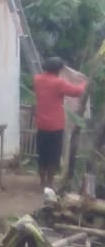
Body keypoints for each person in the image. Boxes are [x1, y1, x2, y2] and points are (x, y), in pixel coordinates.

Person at [32, 56, 88, 190]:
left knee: (42, 154)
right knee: (53, 155)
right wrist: (85, 83)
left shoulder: (37, 79)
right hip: (55, 125)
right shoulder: (58, 83)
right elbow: (77, 92)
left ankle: (42, 182)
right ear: (58, 70)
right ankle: (50, 183)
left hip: (41, 124)